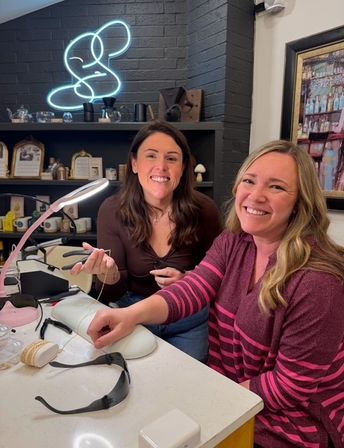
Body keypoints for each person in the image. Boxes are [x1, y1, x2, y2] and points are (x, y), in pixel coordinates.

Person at [86, 140, 344, 448]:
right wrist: (130, 315)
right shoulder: (235, 241)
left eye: (276, 187)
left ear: (300, 201)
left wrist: (219, 404)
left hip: (293, 419)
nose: (256, 195)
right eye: (249, 181)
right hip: (238, 393)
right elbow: (194, 287)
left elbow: (290, 385)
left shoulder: (318, 282)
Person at [72, 120, 223, 362]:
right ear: (134, 163)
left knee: (187, 386)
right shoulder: (112, 210)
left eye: (172, 158)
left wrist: (190, 279)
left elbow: (221, 274)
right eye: (151, 156)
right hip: (133, 315)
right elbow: (115, 290)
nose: (161, 166)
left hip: (189, 319)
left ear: (183, 167)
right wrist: (108, 274)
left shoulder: (205, 210)